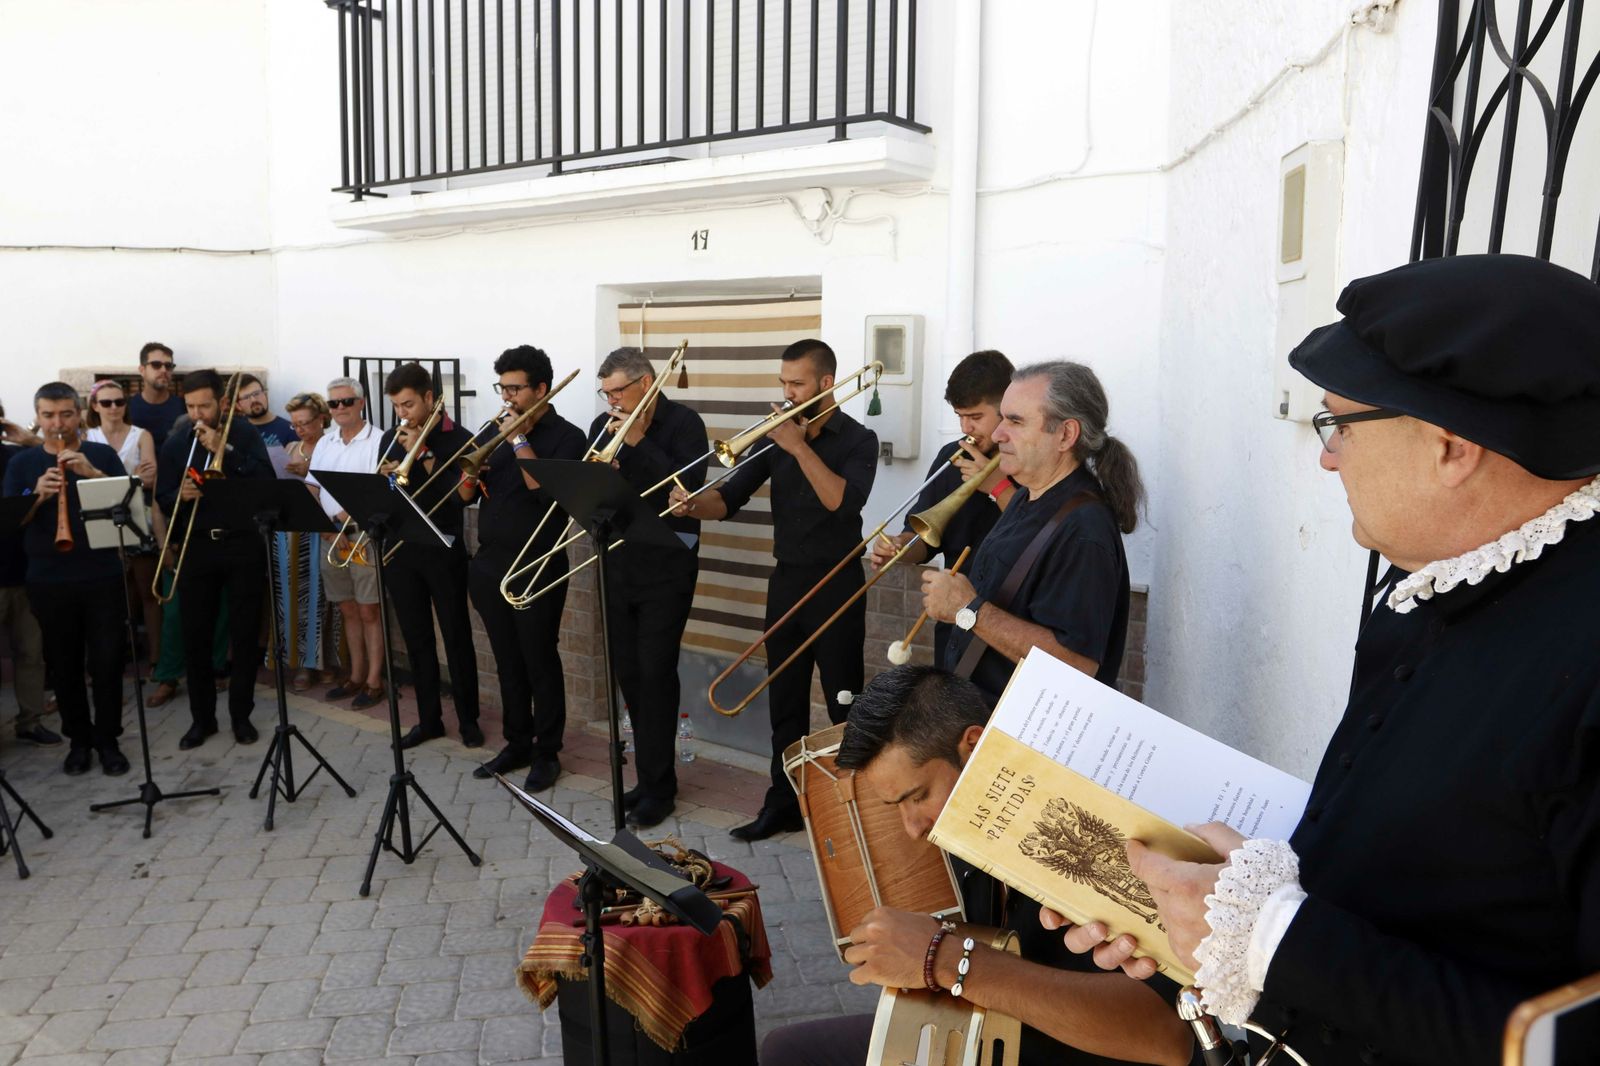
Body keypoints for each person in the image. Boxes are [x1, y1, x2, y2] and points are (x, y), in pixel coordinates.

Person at [1062, 255, 1600, 1066]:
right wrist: (1215, 920)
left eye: (1338, 424)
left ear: (1450, 446)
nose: (1327, 457)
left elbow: (1566, 1042)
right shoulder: (1436, 582)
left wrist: (1272, 936)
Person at [761, 665, 1194, 1066]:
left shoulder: (1082, 828)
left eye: (918, 795)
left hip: (1082, 1050)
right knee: (787, 1050)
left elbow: (1169, 1037)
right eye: (896, 806)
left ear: (972, 745)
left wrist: (946, 960)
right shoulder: (963, 834)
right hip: (988, 1033)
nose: (913, 829)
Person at [669, 339, 878, 841]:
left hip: (837, 583)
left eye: (796, 384)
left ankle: (857, 811)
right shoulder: (774, 438)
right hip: (786, 580)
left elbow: (842, 505)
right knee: (783, 702)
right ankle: (782, 803)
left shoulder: (857, 440)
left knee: (842, 702)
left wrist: (799, 446)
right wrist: (693, 506)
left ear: (826, 384)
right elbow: (730, 497)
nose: (786, 393)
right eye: (783, 383)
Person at [919, 361, 1144, 698]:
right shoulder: (1027, 495)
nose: (997, 434)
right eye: (1003, 418)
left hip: (1021, 740)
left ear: (1065, 435)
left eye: (1016, 421)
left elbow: (1077, 665)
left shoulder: (1084, 528)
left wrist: (969, 609)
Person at [585, 347, 707, 828]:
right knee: (629, 674)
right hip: (617, 562)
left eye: (618, 390)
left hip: (668, 565)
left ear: (647, 383)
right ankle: (647, 776)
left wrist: (638, 443)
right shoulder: (603, 425)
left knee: (656, 673)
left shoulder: (684, 424)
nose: (612, 400)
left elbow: (689, 490)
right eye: (607, 392)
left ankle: (661, 787)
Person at [467, 344, 587, 792]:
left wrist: (518, 440)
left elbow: (546, 493)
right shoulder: (492, 433)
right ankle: (517, 742)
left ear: (541, 388)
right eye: (503, 387)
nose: (508, 397)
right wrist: (468, 471)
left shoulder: (567, 437)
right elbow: (466, 495)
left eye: (516, 388)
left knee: (539, 659)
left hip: (537, 563)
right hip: (491, 561)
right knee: (507, 660)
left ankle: (546, 751)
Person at [1, 383, 131, 775]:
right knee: (64, 665)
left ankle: (108, 740)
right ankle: (79, 741)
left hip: (102, 574)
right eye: (48, 416)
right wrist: (36, 494)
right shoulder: (21, 464)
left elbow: (128, 505)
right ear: (37, 419)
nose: (57, 424)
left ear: (79, 415)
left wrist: (91, 474)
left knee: (108, 663)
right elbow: (11, 525)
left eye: (65, 414)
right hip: (48, 579)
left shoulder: (101, 454)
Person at [869, 350, 1016, 660]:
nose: (965, 428)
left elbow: (1038, 528)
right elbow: (924, 536)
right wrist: (900, 548)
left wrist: (994, 486)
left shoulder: (1028, 463)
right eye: (960, 416)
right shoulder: (952, 456)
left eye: (976, 417)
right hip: (954, 623)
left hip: (1011, 624)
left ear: (1006, 409)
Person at [154, 369, 273, 749]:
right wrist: (180, 497)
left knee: (244, 633)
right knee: (197, 637)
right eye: (190, 406)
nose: (198, 414)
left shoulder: (244, 434)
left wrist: (226, 449)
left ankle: (241, 716)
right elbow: (162, 498)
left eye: (204, 405)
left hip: (241, 544)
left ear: (221, 402)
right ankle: (201, 720)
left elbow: (266, 485)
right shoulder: (176, 444)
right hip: (198, 547)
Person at [375, 362, 483, 750]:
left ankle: (469, 720)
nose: (402, 414)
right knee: (416, 639)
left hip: (443, 549)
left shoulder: (460, 439)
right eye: (397, 407)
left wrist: (422, 455)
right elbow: (384, 493)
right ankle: (428, 719)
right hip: (402, 551)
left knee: (456, 636)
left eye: (408, 405)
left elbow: (460, 496)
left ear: (430, 398)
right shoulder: (391, 437)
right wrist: (388, 473)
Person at [305, 376, 386, 710]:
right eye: (333, 403)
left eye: (345, 402)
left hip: (360, 536)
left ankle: (374, 681)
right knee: (347, 608)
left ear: (361, 403)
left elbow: (376, 490)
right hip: (329, 536)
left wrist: (341, 522)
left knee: (369, 609)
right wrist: (321, 523)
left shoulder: (379, 440)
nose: (339, 408)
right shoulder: (325, 442)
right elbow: (312, 485)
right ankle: (355, 675)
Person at [84, 378, 162, 672]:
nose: (114, 407)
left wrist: (97, 475)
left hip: (136, 513)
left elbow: (152, 479)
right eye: (106, 402)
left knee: (147, 590)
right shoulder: (87, 435)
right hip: (99, 517)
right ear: (94, 406)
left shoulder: (141, 435)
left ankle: (156, 659)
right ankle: (121, 653)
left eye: (119, 401)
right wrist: (132, 476)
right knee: (114, 593)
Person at [0, 408, 57, 746]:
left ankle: (30, 720)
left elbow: (54, 453)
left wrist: (28, 438)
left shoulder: (17, 455)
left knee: (31, 653)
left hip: (23, 570)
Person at [279, 392, 339, 692]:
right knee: (296, 597)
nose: (301, 430)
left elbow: (338, 485)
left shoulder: (331, 446)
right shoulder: (291, 447)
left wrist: (310, 472)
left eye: (305, 423)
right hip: (293, 532)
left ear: (321, 419)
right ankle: (302, 662)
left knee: (325, 599)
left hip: (323, 528)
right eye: (295, 424)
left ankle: (326, 661)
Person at [234, 373, 296, 477]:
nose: (254, 400)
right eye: (246, 397)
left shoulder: (290, 429)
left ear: (265, 395)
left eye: (257, 393)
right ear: (238, 405)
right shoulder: (236, 430)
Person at [128, 342, 185, 448]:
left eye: (168, 366)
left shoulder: (183, 407)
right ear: (142, 370)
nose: (163, 370)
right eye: (156, 365)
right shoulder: (126, 407)